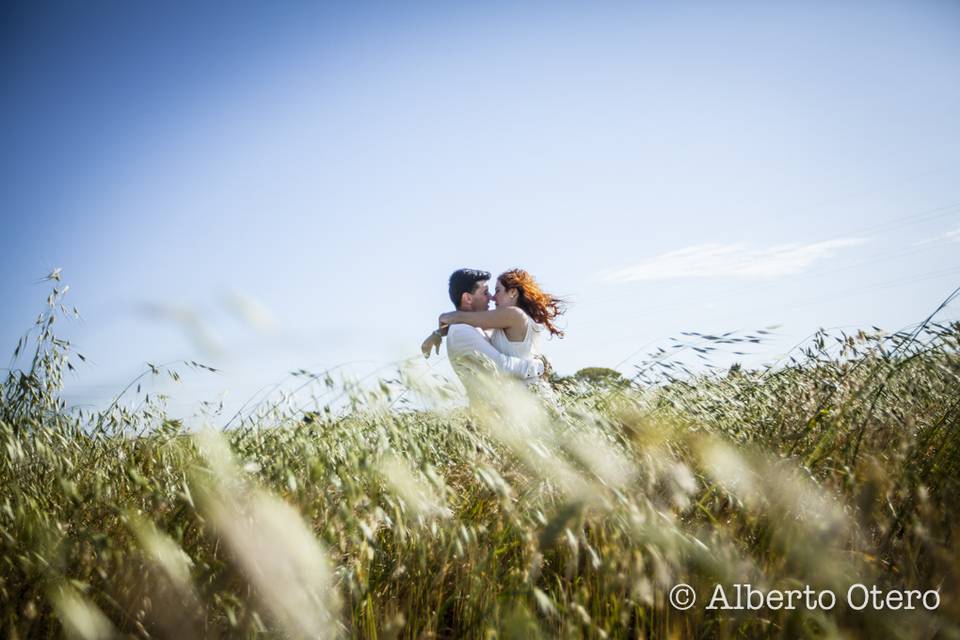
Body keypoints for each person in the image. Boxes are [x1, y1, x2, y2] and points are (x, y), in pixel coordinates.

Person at [424, 268, 565, 403]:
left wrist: (442, 323)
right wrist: (541, 366)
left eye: (497, 291)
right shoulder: (469, 329)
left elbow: (466, 319)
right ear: (467, 298)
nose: (492, 297)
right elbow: (499, 365)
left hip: (534, 400)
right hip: (524, 404)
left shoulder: (513, 314)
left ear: (513, 293)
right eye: (486, 292)